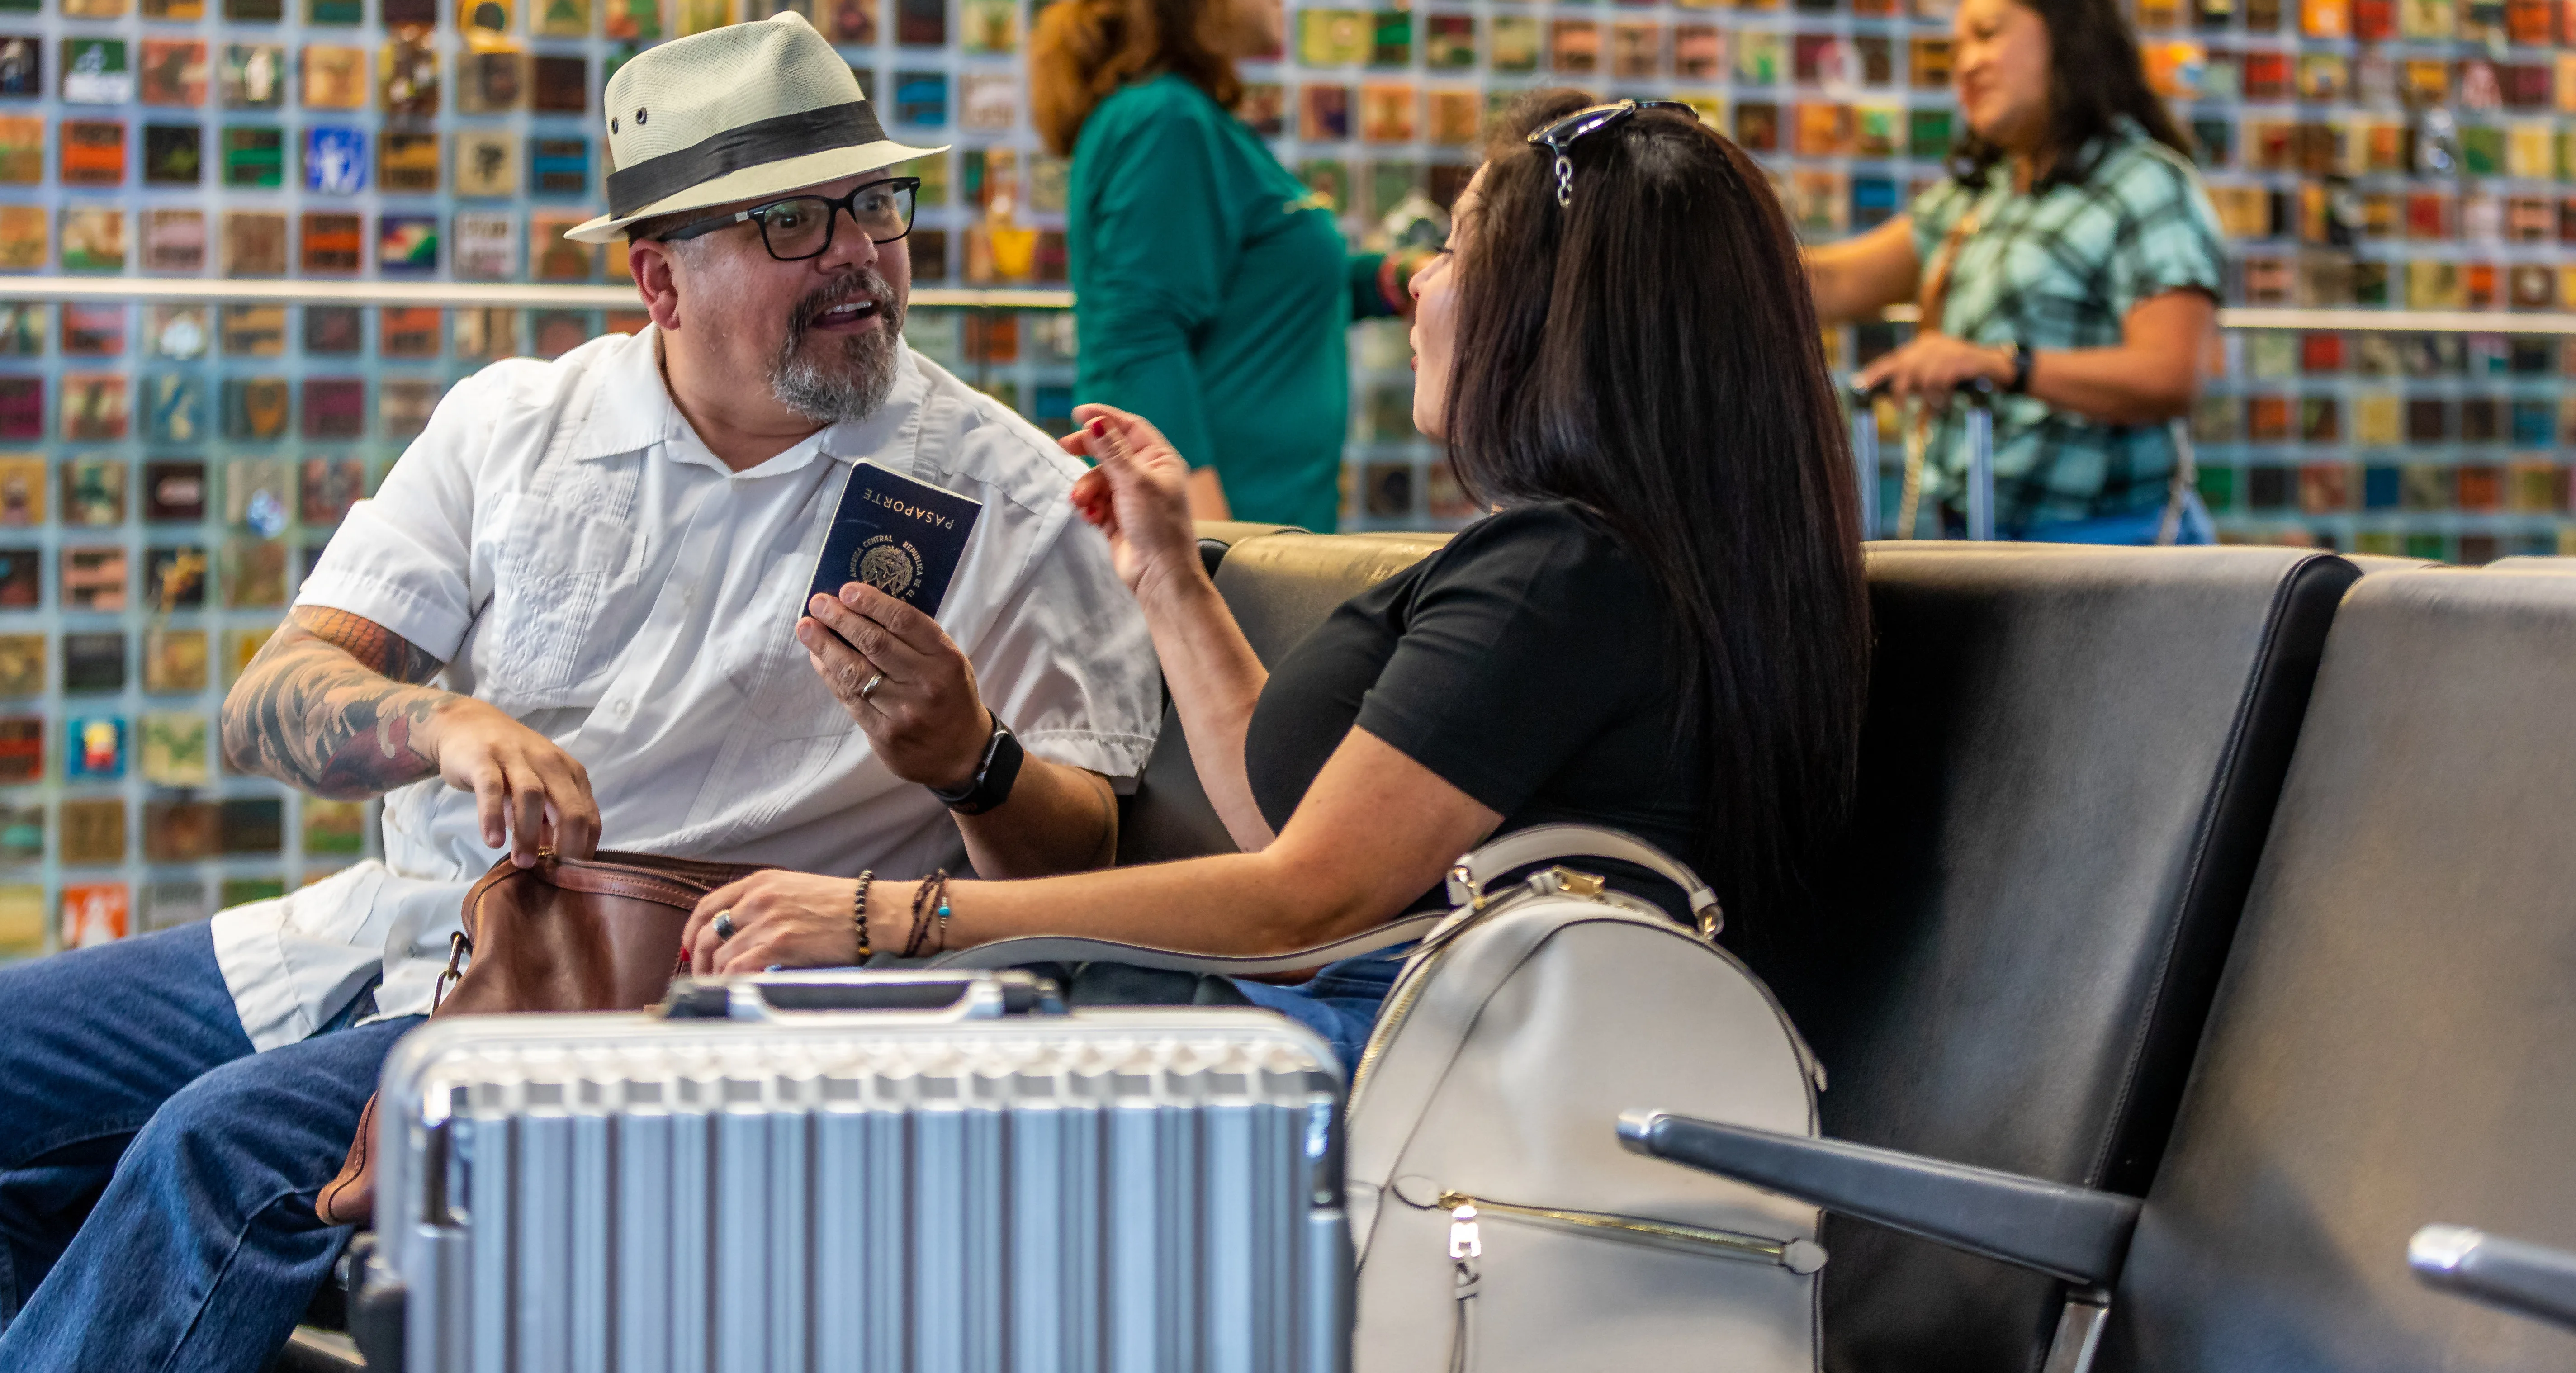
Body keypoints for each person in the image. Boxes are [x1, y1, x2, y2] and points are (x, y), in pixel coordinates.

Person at [0, 13, 1160, 1373]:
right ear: (660, 281)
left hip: (660, 1010)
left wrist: (970, 762)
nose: (858, 256)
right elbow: (274, 699)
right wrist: (440, 722)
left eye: (873, 204)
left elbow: (1090, 864)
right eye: (789, 223)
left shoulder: (1004, 498)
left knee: (216, 1149)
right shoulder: (516, 424)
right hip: (398, 934)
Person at [678, 91, 1870, 1072]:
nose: (1417, 287)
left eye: (1455, 248)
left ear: (1554, 318)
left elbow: (1305, 908)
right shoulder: (1618, 561)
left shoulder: (1565, 572)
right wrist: (1170, 579)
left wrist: (889, 916)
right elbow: (1308, 836)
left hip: (1439, 1110)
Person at [1036, 0, 1431, 532]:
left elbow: (1255, 288)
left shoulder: (1194, 120)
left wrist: (1392, 279)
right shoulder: (1163, 120)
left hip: (1274, 530)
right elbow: (1135, 340)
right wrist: (1209, 550)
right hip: (1234, 544)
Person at [1805, 0, 2227, 544]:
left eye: (1986, 34)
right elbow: (1837, 282)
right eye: (1954, 52)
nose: (1965, 66)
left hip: (2110, 558)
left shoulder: (2145, 182)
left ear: (2068, 38)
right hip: (1981, 542)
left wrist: (2000, 364)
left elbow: (2171, 374)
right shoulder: (1980, 196)